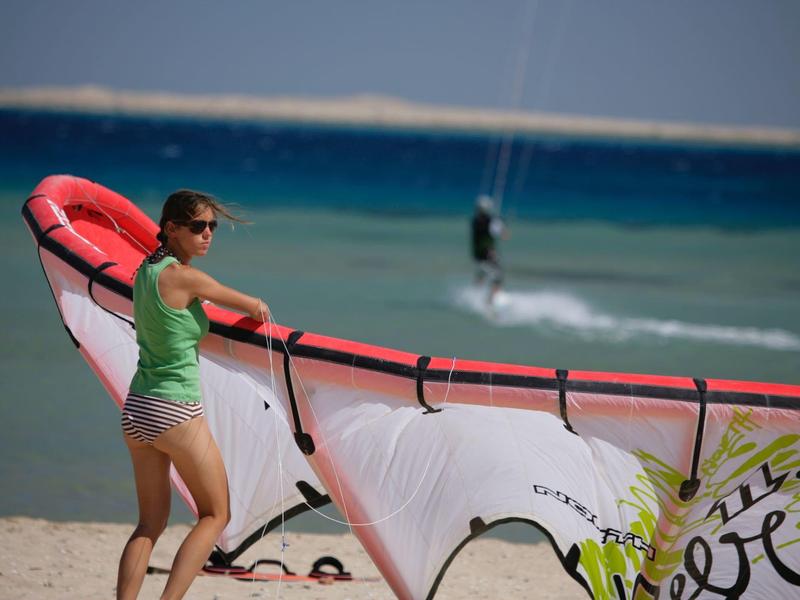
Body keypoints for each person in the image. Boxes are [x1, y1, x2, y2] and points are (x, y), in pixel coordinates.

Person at [116, 190, 269, 600]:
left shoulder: (144, 272)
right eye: (198, 226)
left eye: (212, 226)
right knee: (215, 514)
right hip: (175, 409)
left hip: (137, 408)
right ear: (171, 228)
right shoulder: (188, 278)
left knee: (148, 524)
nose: (207, 234)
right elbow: (255, 307)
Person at [470, 194, 508, 305]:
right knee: (498, 276)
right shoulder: (491, 222)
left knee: (483, 272)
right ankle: (490, 301)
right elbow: (505, 235)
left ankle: (474, 293)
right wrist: (500, 224)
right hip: (488, 253)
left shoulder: (475, 221)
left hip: (477, 254)